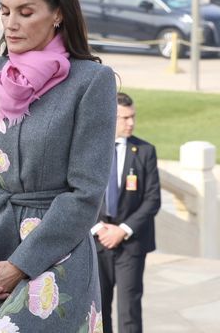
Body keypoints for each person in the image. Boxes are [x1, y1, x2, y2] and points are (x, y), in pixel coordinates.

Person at [0, 0, 117, 332]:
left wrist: (20, 265)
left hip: (56, 260)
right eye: (5, 10)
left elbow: (86, 193)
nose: (11, 23)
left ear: (58, 14)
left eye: (26, 12)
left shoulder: (92, 81)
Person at [95, 92, 159, 333]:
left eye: (133, 117)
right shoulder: (91, 150)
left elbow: (152, 199)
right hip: (97, 242)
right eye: (125, 118)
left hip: (131, 244)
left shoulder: (145, 151)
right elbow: (75, 192)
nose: (131, 123)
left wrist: (122, 230)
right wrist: (98, 228)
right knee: (98, 309)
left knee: (129, 309)